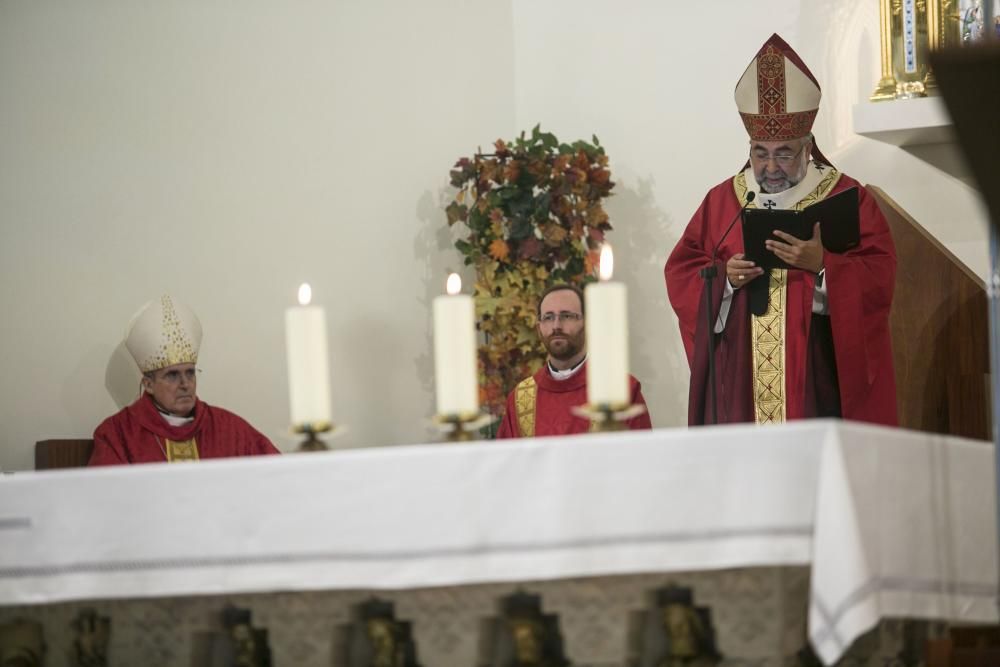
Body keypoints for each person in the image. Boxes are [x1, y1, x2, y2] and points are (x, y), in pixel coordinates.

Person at [664, 34, 897, 427]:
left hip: (819, 381)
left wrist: (824, 266)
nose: (770, 167)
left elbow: (880, 276)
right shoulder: (724, 201)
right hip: (740, 384)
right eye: (760, 152)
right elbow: (683, 272)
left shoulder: (847, 197)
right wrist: (725, 280)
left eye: (784, 153)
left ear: (808, 147)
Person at [89, 295, 280, 465]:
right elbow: (102, 498)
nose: (185, 384)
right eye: (172, 375)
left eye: (190, 373)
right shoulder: (118, 434)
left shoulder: (229, 429)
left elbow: (279, 475)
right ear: (148, 384)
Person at [496, 284, 652, 438]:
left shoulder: (621, 390)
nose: (556, 326)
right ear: (539, 328)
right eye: (548, 317)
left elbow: (640, 456)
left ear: (586, 323)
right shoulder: (520, 399)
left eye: (567, 316)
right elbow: (507, 461)